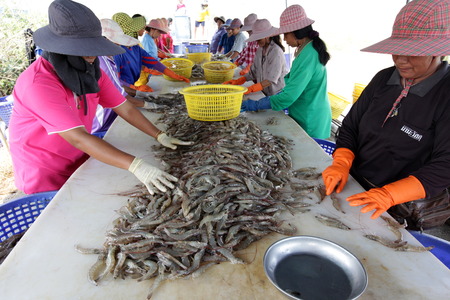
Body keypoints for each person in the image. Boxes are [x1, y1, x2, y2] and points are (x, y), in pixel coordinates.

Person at [9, 0, 193, 195]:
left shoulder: (90, 71)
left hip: (80, 157)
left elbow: (124, 107)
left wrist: (159, 135)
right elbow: (78, 137)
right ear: (62, 48)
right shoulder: (39, 84)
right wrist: (137, 166)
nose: (93, 56)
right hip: (45, 172)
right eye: (85, 50)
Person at [322, 0, 450, 228]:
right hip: (353, 186)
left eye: (412, 52)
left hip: (402, 207)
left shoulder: (445, 94)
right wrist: (341, 162)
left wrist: (389, 194)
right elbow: (351, 126)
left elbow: (444, 165)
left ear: (438, 51)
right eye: (396, 49)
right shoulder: (384, 78)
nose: (400, 59)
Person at [241, 5, 331, 139]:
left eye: (285, 34)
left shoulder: (309, 54)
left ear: (296, 33)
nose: (284, 39)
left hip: (311, 116)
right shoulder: (306, 49)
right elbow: (291, 81)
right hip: (302, 111)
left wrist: (258, 104)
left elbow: (289, 96)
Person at [93, 19, 163, 134]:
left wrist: (138, 93)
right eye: (115, 42)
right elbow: (120, 98)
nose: (119, 44)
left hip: (113, 115)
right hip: (101, 124)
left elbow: (116, 85)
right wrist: (148, 104)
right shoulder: (101, 61)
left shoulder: (109, 59)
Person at [112, 13, 189, 96]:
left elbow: (152, 62)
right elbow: (114, 80)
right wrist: (135, 88)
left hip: (131, 88)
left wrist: (172, 74)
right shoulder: (116, 53)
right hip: (120, 92)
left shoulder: (135, 48)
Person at [224, 19, 287, 97]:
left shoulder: (276, 52)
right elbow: (253, 72)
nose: (257, 41)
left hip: (277, 93)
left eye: (259, 39)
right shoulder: (260, 50)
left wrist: (251, 88)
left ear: (267, 36)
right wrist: (239, 81)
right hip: (264, 91)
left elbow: (271, 80)